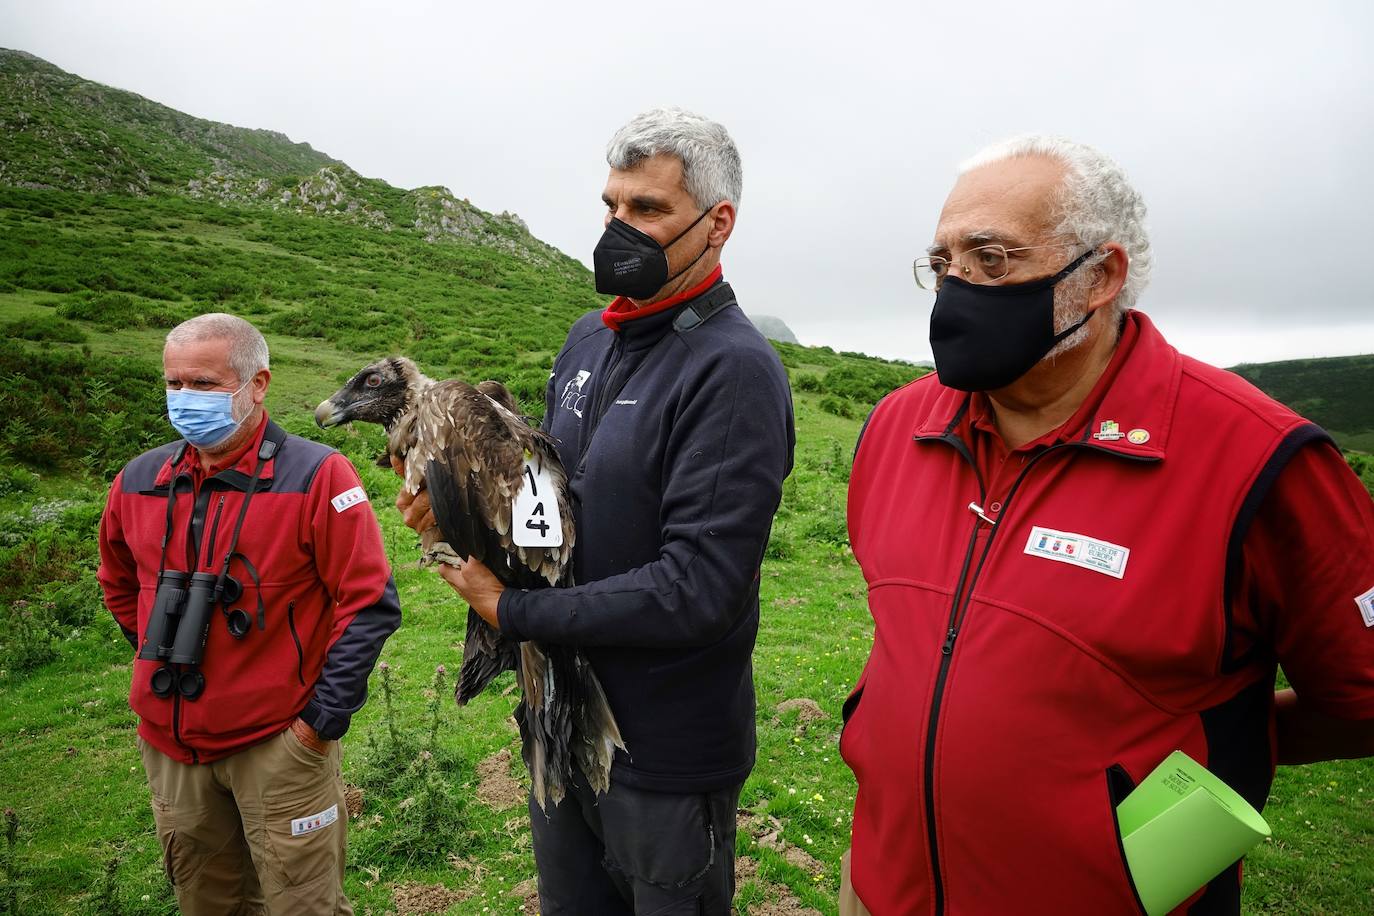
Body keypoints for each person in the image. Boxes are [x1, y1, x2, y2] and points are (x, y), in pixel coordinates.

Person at [841, 136, 1374, 915]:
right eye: (944, 260)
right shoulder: (897, 427)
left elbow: (1359, 696)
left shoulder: (1258, 457)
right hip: (888, 886)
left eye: (991, 259)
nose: (956, 288)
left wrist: (1174, 771)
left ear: (1099, 277)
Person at [397, 107, 795, 914]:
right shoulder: (588, 340)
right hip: (559, 717)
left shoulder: (735, 371)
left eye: (647, 210)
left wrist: (513, 610)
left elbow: (697, 589)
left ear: (717, 225)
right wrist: (464, 517)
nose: (620, 227)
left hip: (664, 754)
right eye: (612, 207)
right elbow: (555, 511)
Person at [98, 313, 401, 915]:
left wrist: (319, 722)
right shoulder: (137, 479)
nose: (185, 399)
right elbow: (119, 584)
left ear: (256, 384)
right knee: (204, 900)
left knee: (301, 904)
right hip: (170, 743)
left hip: (279, 745)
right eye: (174, 384)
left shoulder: (317, 474)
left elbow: (368, 602)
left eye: (205, 385)